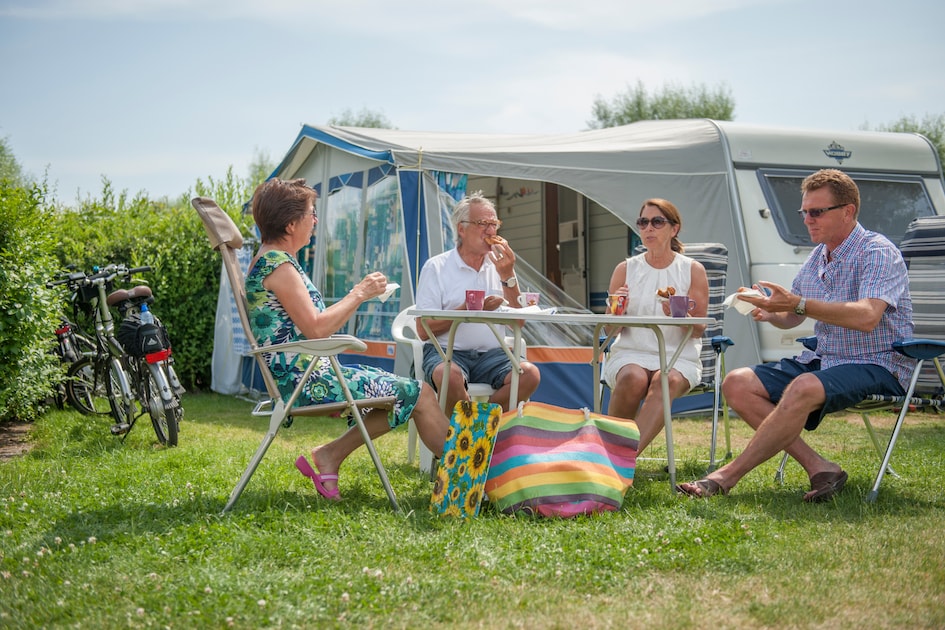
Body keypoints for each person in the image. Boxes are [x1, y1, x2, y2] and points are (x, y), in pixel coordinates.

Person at [677, 169, 915, 502]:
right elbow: (792, 316)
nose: (807, 219)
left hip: (879, 363)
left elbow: (867, 317)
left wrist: (799, 304)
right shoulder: (818, 256)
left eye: (816, 212)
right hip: (827, 360)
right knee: (736, 383)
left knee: (802, 386)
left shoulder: (876, 251)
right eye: (804, 212)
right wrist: (770, 311)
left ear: (847, 211)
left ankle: (725, 477)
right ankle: (819, 466)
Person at [246, 178, 448, 501]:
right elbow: (315, 328)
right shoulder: (278, 267)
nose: (314, 221)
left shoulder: (274, 262)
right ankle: (464, 475)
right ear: (290, 223)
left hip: (309, 372)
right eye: (311, 214)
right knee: (420, 393)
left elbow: (306, 323)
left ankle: (330, 455)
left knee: (402, 394)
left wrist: (361, 296)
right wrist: (359, 293)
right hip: (308, 381)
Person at [414, 190, 541, 412]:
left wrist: (508, 276)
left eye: (494, 224)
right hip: (447, 352)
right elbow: (423, 330)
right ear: (461, 229)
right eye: (483, 223)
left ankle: (476, 424)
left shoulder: (501, 266)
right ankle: (471, 433)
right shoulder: (436, 267)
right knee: (449, 375)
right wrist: (471, 309)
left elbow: (519, 322)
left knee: (529, 374)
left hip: (494, 354)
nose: (491, 231)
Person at [603, 198, 709, 454]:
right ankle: (610, 452)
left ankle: (620, 460)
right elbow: (609, 331)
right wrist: (618, 308)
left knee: (665, 380)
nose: (648, 228)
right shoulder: (625, 269)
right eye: (643, 222)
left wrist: (678, 314)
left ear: (674, 229)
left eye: (657, 222)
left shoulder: (692, 270)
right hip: (631, 352)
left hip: (678, 355)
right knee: (632, 378)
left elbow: (698, 330)